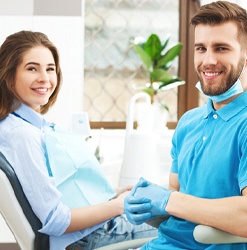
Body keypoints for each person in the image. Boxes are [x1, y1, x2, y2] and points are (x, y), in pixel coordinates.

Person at [0, 30, 157, 250]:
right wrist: (118, 206)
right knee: (184, 229)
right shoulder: (20, 135)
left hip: (91, 231)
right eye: (32, 68)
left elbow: (60, 188)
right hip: (87, 238)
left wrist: (115, 194)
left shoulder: (29, 126)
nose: (44, 78)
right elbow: (57, 220)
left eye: (50, 69)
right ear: (8, 76)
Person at [124, 1, 247, 249]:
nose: (208, 60)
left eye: (221, 48)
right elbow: (177, 208)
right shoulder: (188, 122)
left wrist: (168, 199)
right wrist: (149, 208)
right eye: (201, 48)